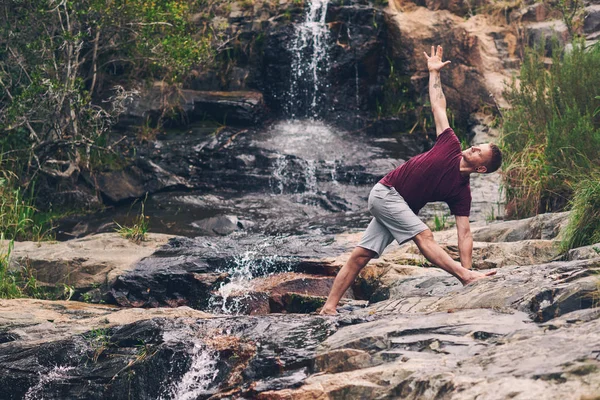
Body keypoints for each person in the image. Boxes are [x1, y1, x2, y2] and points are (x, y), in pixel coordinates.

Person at [320, 45, 501, 315]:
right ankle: (463, 277)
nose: (474, 148)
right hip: (386, 193)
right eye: (477, 146)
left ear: (481, 169)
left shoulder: (461, 192)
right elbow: (438, 105)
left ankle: (328, 307)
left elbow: (464, 233)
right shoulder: (450, 143)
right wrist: (434, 74)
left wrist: (469, 267)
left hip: (397, 206)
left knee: (360, 256)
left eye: (479, 152)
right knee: (424, 235)